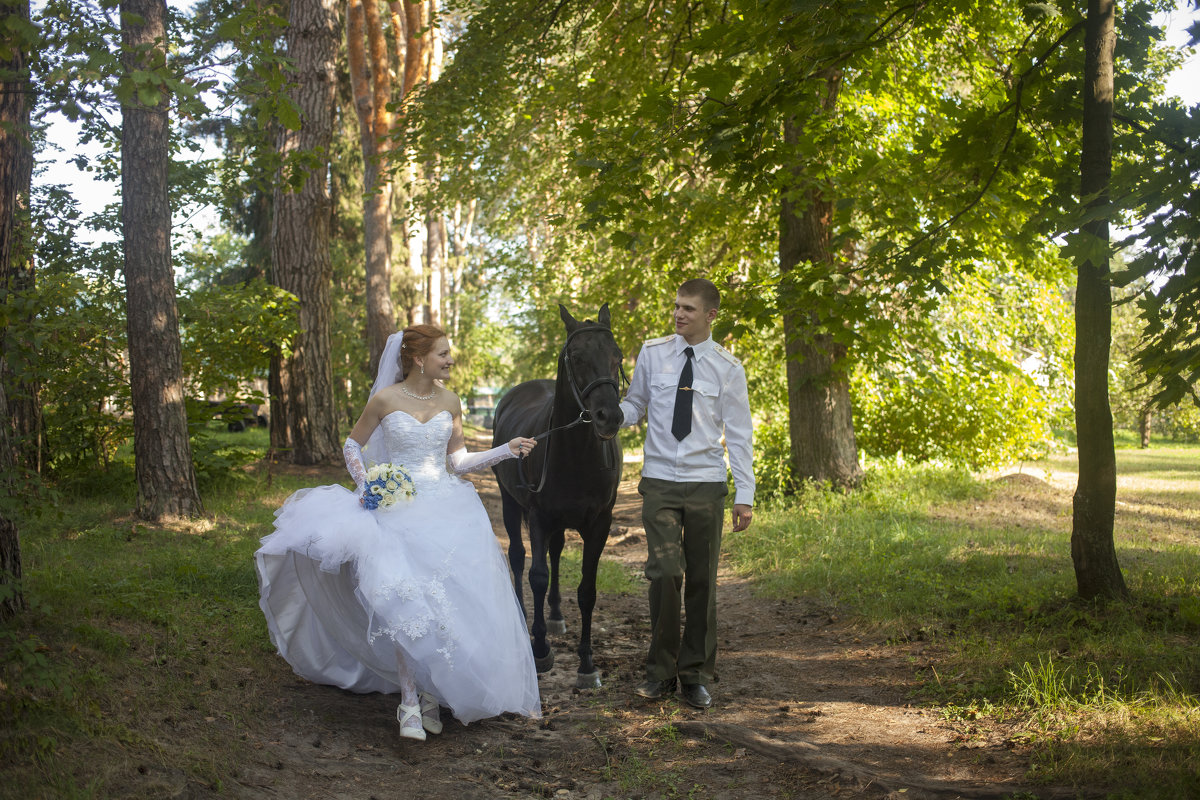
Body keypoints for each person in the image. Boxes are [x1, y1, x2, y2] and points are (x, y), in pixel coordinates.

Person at [255, 324, 542, 741]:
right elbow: (352, 446)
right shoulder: (385, 399)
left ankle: (430, 692)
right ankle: (408, 700)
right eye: (443, 353)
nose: (450, 360)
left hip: (447, 509)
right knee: (404, 603)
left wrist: (506, 449)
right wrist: (368, 483)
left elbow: (457, 463)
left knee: (443, 606)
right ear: (417, 358)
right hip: (397, 508)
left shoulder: (451, 400)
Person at [618, 278, 754, 709]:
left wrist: (744, 493)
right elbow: (634, 405)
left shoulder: (728, 368)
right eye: (676, 306)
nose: (678, 314)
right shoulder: (653, 353)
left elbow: (739, 434)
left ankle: (694, 675)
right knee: (664, 573)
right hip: (659, 480)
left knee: (701, 581)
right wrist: (606, 415)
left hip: (706, 485)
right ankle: (659, 672)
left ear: (710, 315)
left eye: (688, 309)